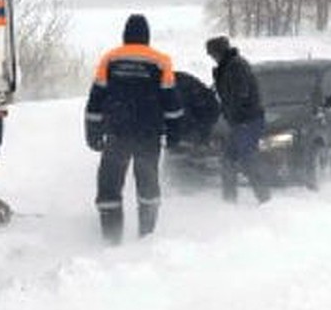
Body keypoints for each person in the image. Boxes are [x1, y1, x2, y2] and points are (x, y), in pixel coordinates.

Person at [84, 13, 184, 242]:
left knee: (109, 186)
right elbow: (171, 102)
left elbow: (96, 100)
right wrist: (174, 134)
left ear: (125, 35)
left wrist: (92, 133)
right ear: (147, 36)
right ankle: (146, 237)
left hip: (117, 133)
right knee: (148, 185)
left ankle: (111, 239)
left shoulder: (109, 59)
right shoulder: (161, 61)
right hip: (148, 135)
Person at [205, 35, 270, 203]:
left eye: (212, 54)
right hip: (238, 122)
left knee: (247, 158)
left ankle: (265, 200)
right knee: (228, 159)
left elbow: (240, 94)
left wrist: (231, 112)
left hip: (248, 120)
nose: (211, 57)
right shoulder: (227, 66)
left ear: (219, 51)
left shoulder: (236, 66)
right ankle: (229, 201)